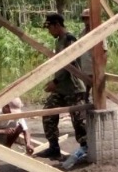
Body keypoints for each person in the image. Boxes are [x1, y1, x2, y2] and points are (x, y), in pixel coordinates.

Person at [37, 12, 87, 161]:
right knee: (48, 113)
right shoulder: (58, 40)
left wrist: (56, 82)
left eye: (50, 27)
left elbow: (70, 65)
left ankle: (86, 148)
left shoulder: (69, 39)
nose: (49, 31)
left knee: (79, 121)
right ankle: (54, 147)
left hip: (73, 88)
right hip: (61, 88)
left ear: (57, 25)